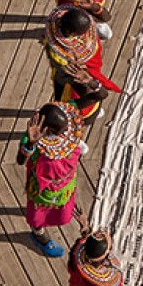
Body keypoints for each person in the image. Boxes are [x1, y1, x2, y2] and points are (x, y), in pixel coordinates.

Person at [15, 102, 85, 258]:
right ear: (47, 130)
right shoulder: (33, 141)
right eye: (61, 132)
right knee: (36, 217)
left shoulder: (70, 132)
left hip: (65, 188)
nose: (66, 135)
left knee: (63, 215)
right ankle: (40, 236)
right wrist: (30, 144)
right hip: (41, 191)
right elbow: (21, 160)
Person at [43, 5, 121, 122]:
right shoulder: (85, 48)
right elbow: (100, 94)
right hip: (78, 91)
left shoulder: (53, 38)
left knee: (65, 96)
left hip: (77, 100)